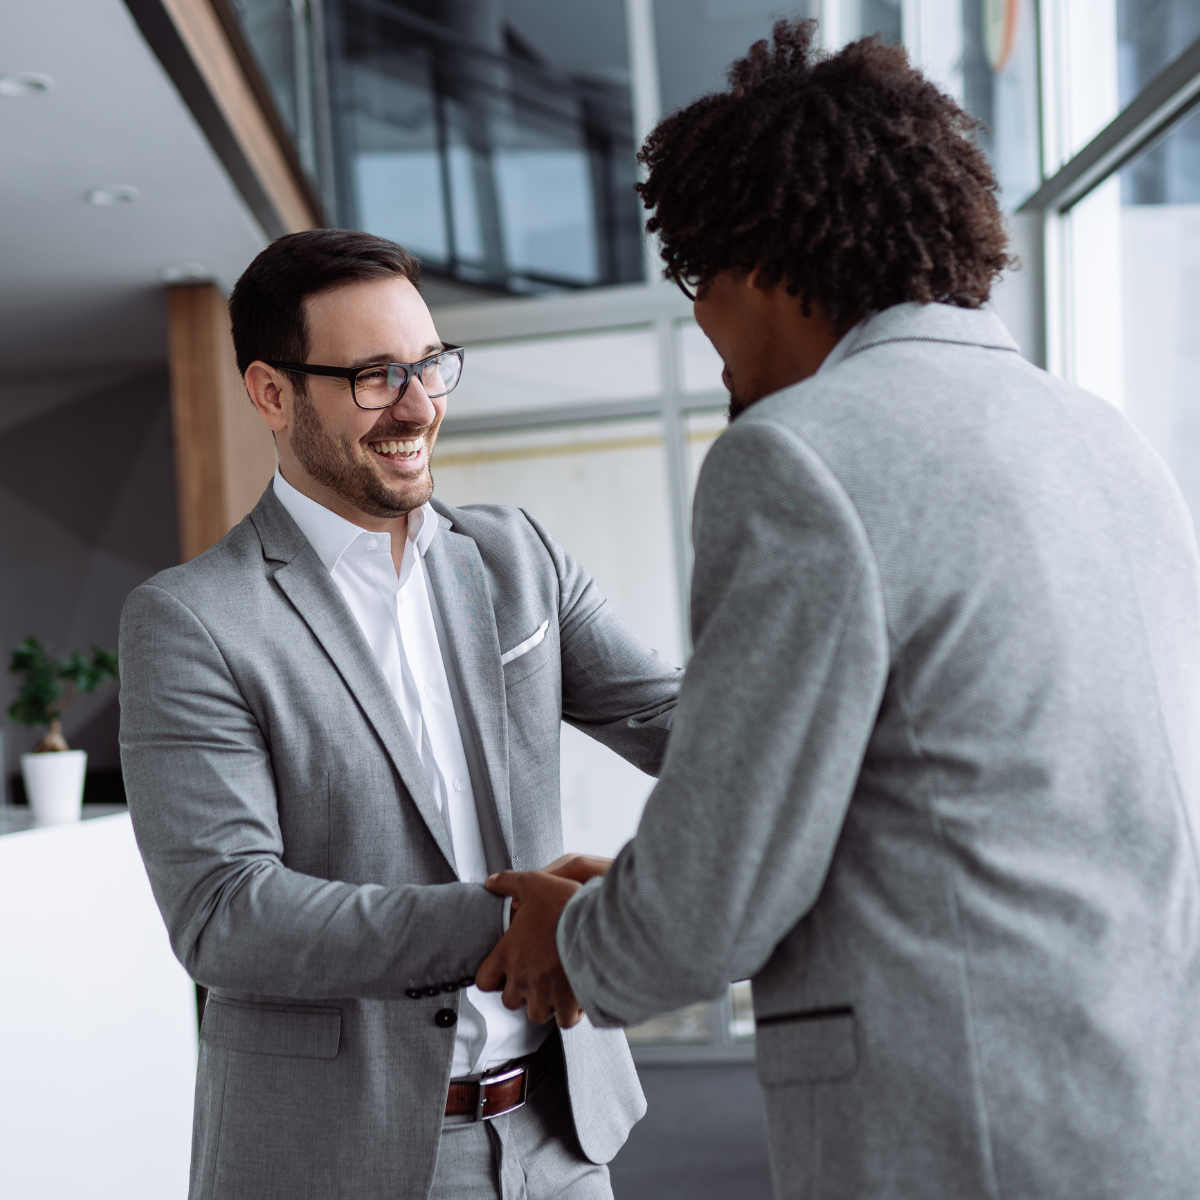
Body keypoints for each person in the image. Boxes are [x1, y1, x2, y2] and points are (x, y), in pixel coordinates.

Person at [477, 20, 1200, 1199]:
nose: (699, 325)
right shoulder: (1102, 438)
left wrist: (574, 933)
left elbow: (704, 918)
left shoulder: (800, 458)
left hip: (969, 1127)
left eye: (696, 279)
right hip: (1150, 1103)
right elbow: (976, 803)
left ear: (762, 263)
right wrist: (639, 890)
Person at [118, 229, 680, 1200]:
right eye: (375, 376)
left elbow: (681, 723)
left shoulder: (516, 560)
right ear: (271, 393)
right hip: (348, 1162)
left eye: (429, 365)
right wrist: (505, 919)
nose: (420, 406)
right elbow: (225, 915)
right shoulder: (193, 622)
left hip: (559, 1136)